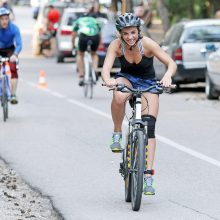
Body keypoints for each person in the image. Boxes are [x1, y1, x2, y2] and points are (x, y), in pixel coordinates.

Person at [101, 13, 176, 195]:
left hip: (148, 82)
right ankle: (117, 133)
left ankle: (148, 176)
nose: (130, 37)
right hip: (126, 78)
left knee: (149, 126)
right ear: (120, 34)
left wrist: (167, 76)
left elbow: (171, 63)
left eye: (133, 32)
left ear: (138, 31)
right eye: (125, 34)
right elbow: (106, 69)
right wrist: (108, 80)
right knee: (118, 96)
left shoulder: (148, 44)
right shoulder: (116, 46)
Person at [72, 13, 101, 86]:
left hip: (83, 36)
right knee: (94, 54)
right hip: (95, 36)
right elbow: (99, 32)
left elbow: (73, 35)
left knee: (80, 54)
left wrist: (73, 46)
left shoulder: (78, 21)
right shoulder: (94, 20)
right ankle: (95, 70)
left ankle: (81, 76)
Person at [0, 7, 22, 104]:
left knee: (13, 69)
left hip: (10, 50)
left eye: (6, 19)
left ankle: (13, 94)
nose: (4, 21)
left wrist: (15, 54)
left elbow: (19, 44)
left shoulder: (14, 28)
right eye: (2, 19)